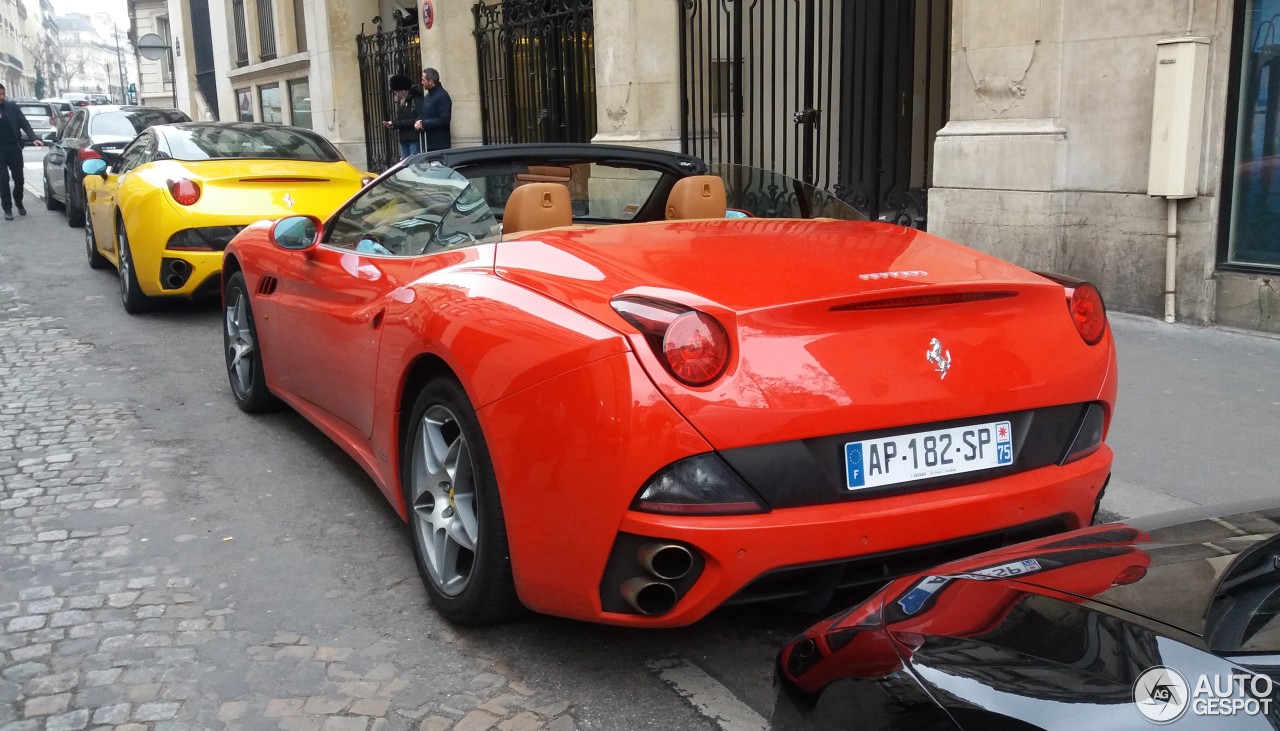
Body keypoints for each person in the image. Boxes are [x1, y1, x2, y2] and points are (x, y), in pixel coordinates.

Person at [0, 82, 44, 221]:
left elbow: (24, 123)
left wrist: (33, 138)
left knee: (19, 179)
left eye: (3, 94)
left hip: (14, 148)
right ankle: (7, 208)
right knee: (3, 180)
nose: (1, 97)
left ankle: (18, 200)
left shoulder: (12, 107)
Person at [382, 74, 423, 160]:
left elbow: (415, 119)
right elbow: (401, 119)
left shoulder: (415, 100)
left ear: (403, 91)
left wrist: (395, 124)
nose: (396, 95)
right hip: (404, 138)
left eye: (397, 92)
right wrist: (393, 125)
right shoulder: (402, 102)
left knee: (413, 163)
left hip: (414, 138)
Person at [414, 68, 452, 152]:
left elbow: (444, 119)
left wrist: (424, 124)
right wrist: (418, 122)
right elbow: (423, 114)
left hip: (439, 145)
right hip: (427, 142)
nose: (422, 83)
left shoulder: (443, 96)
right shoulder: (428, 96)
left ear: (430, 81)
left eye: (423, 80)